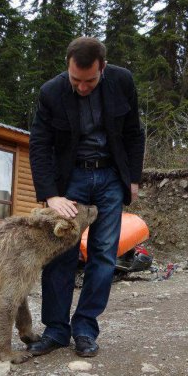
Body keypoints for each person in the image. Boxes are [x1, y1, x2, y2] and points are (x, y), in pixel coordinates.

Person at [28, 36, 145, 357]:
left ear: (103, 68)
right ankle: (55, 330)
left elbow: (135, 132)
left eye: (89, 80)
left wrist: (132, 178)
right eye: (75, 80)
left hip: (110, 177)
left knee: (104, 256)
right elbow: (39, 144)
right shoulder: (51, 92)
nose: (81, 87)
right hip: (71, 180)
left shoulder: (122, 81)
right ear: (67, 68)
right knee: (59, 254)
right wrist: (50, 195)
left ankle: (84, 327)